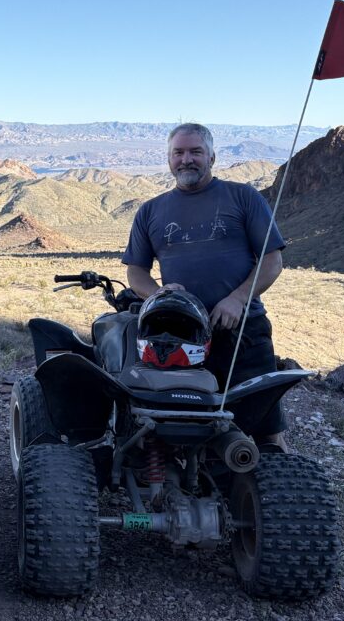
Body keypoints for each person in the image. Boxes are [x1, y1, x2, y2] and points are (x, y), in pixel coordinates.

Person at [122, 122, 288, 450]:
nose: (187, 159)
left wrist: (238, 299)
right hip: (178, 338)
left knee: (265, 430)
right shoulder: (150, 211)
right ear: (168, 159)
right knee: (186, 425)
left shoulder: (243, 197)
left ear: (212, 157)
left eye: (195, 151)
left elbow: (272, 261)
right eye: (178, 153)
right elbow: (136, 272)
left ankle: (274, 490)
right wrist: (159, 295)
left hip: (243, 331)